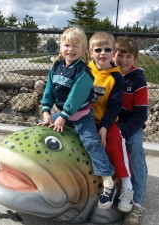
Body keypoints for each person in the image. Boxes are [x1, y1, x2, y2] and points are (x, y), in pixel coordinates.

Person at [38, 27, 116, 209]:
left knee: (91, 142)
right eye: (67, 45)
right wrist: (47, 112)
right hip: (62, 114)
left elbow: (76, 96)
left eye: (76, 46)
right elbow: (49, 90)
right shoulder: (56, 67)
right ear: (60, 47)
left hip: (80, 115)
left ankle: (107, 181)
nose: (70, 49)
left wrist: (63, 116)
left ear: (83, 50)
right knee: (42, 128)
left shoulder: (83, 71)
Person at [88, 32, 134, 213]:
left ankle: (127, 184)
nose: (102, 53)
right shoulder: (84, 70)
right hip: (85, 119)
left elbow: (115, 106)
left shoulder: (116, 78)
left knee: (115, 141)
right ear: (90, 53)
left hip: (106, 121)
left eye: (107, 49)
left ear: (113, 52)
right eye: (98, 49)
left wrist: (105, 127)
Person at [114, 36, 148, 225]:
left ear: (134, 59)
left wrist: (124, 131)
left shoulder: (138, 80)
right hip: (112, 122)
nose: (123, 60)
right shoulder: (110, 74)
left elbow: (141, 115)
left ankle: (137, 204)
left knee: (135, 150)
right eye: (120, 55)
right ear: (114, 55)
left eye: (128, 56)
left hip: (131, 124)